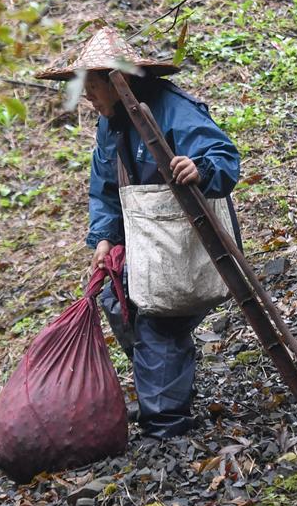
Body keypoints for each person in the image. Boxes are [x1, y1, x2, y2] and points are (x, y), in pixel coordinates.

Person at [36, 27, 242, 439]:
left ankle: (166, 422)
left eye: (92, 88)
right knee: (118, 299)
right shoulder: (109, 124)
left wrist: (198, 169)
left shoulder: (172, 107)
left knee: (157, 320)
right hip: (143, 240)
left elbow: (222, 157)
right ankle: (165, 391)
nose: (89, 99)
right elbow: (105, 188)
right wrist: (105, 239)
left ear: (119, 80)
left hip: (190, 242)